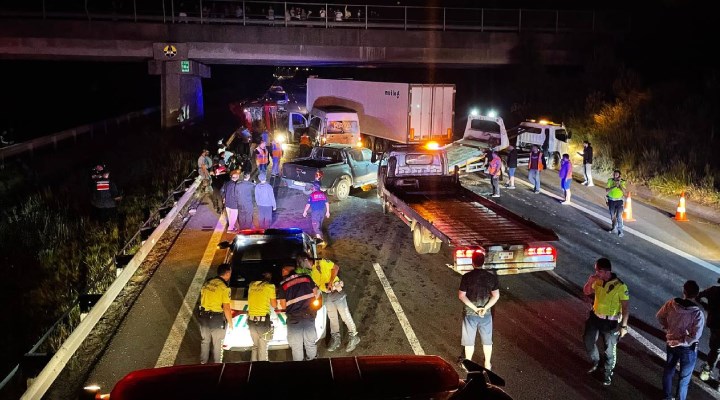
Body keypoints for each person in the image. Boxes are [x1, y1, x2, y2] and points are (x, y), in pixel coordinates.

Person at [298, 254, 361, 352]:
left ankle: (354, 336)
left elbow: (335, 267)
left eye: (303, 264)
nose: (305, 267)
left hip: (336, 291)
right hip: (327, 295)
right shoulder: (312, 272)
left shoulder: (321, 262)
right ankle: (336, 339)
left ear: (306, 259)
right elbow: (318, 287)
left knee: (345, 315)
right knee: (332, 318)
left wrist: (331, 282)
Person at [582, 257, 629, 386]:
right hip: (595, 317)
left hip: (610, 323)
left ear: (606, 271)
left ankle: (607, 373)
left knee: (609, 350)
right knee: (588, 341)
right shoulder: (597, 281)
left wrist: (624, 327)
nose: (596, 273)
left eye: (598, 271)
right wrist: (590, 281)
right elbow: (586, 292)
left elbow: (625, 307)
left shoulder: (620, 286)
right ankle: (597, 362)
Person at [657, 280, 704, 400]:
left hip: (671, 343)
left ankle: (667, 397)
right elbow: (695, 335)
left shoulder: (671, 304)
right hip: (687, 349)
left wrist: (667, 327)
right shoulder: (697, 313)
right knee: (684, 378)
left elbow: (659, 316)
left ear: (684, 291)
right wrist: (685, 340)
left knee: (669, 370)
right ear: (696, 295)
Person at [458, 251, 499, 371]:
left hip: (470, 314)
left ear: (472, 262)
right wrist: (485, 308)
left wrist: (475, 308)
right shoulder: (491, 277)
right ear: (483, 262)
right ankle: (487, 364)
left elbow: (461, 295)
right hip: (485, 315)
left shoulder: (467, 277)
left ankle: (468, 365)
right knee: (487, 341)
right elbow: (496, 296)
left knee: (469, 341)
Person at [278, 264, 319, 361]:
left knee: (297, 348)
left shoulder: (283, 285)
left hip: (294, 319)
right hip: (309, 316)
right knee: (310, 344)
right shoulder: (307, 278)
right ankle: (314, 366)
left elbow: (283, 305)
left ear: (285, 272)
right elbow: (316, 293)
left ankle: (300, 370)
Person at [198, 263, 233, 364]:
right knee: (217, 344)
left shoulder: (208, 282)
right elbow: (226, 307)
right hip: (216, 319)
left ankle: (203, 363)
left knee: (205, 341)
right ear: (227, 273)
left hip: (204, 316)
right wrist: (230, 323)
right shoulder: (224, 288)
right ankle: (217, 366)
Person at [247, 271, 278, 361]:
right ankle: (261, 370)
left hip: (251, 321)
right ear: (269, 279)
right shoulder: (269, 287)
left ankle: (252, 368)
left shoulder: (251, 285)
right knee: (263, 347)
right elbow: (274, 305)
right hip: (263, 322)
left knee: (255, 346)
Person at [697, 279, 720, 381]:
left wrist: (707, 307)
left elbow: (698, 296)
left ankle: (707, 371)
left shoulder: (713, 290)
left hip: (714, 324)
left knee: (715, 350)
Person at [605, 169, 627, 237]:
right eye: (614, 174)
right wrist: (614, 186)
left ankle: (620, 230)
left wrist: (619, 184)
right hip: (611, 200)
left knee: (619, 215)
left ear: (619, 176)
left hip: (619, 201)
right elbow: (607, 190)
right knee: (612, 215)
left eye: (616, 175)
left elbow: (624, 192)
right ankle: (613, 228)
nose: (615, 176)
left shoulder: (623, 182)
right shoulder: (610, 180)